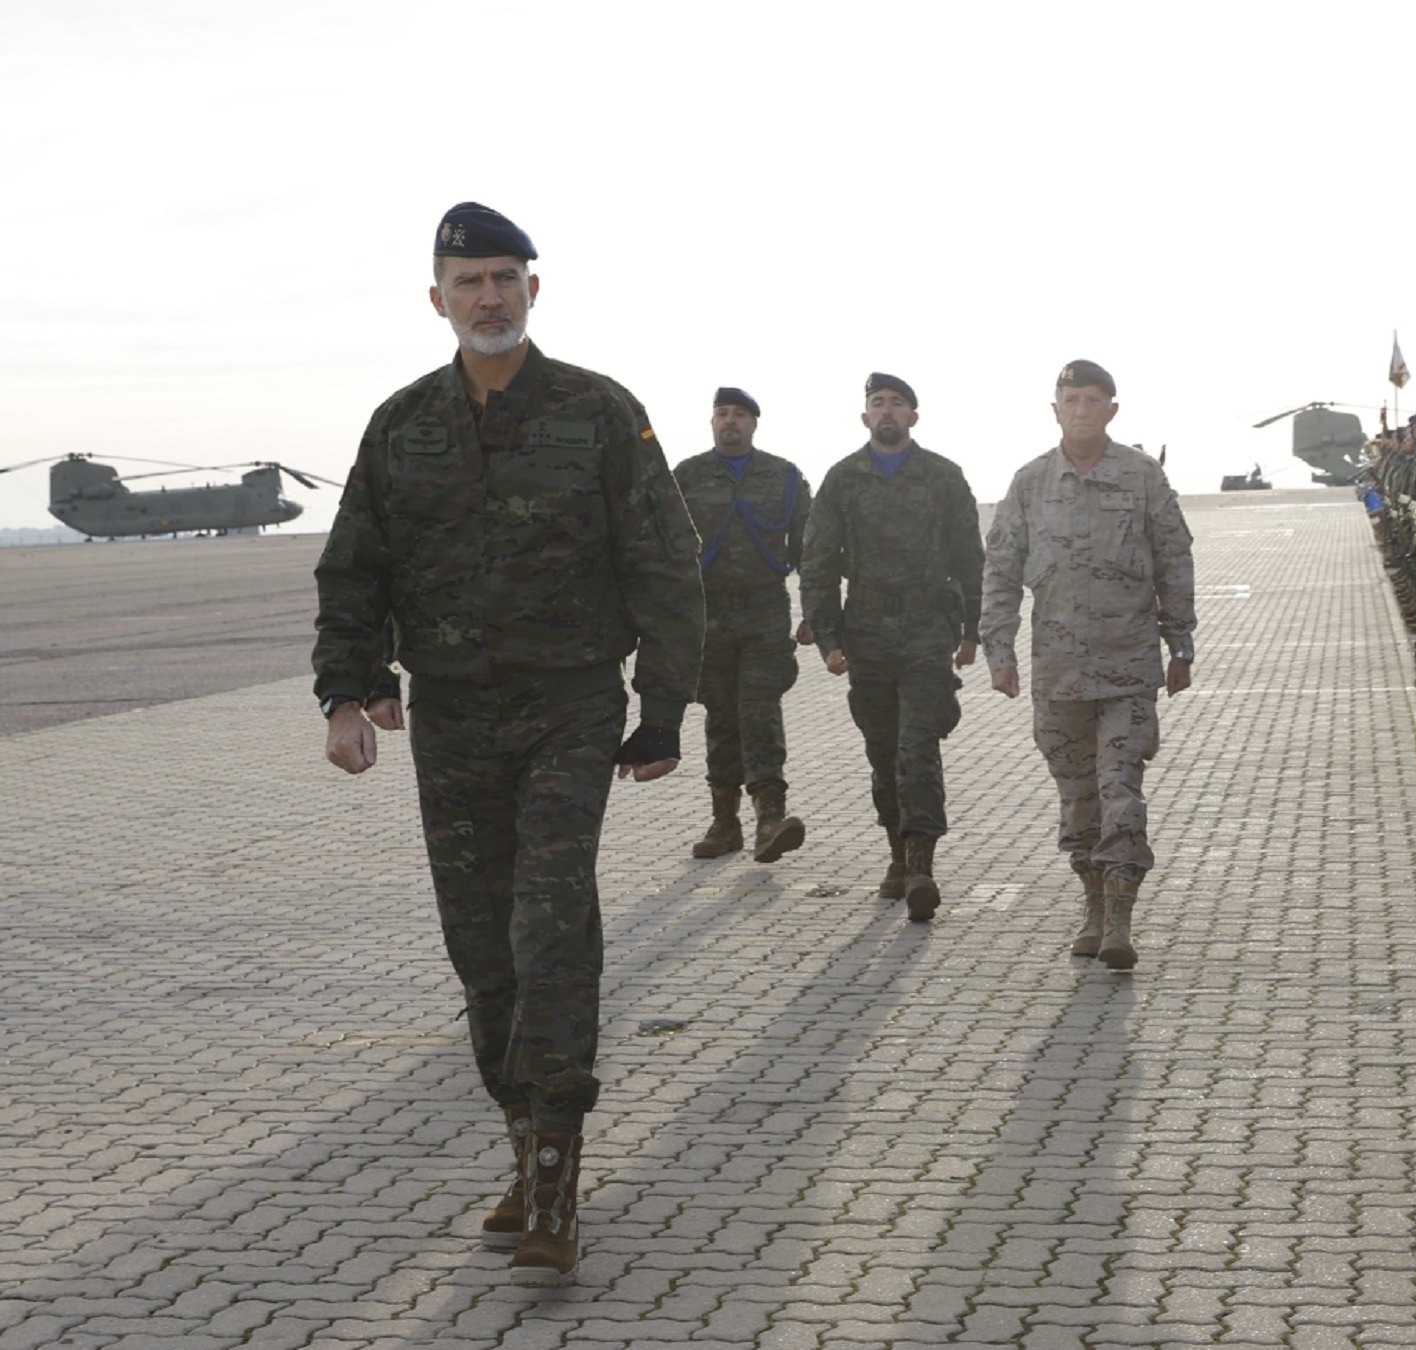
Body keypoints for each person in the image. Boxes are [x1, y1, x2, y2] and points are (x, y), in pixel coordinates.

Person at [312, 202, 706, 1285]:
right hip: (450, 722)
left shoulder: (597, 412)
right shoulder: (399, 426)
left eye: (506, 277)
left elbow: (668, 566)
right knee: (481, 950)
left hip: (570, 710)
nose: (488, 296)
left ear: (535, 289)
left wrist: (664, 709)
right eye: (468, 280)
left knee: (548, 928)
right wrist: (349, 692)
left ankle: (555, 1177)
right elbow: (353, 570)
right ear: (436, 298)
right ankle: (522, 1138)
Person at [981, 360, 1196, 970]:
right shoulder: (1029, 483)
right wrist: (999, 651)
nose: (1081, 409)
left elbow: (1174, 558)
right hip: (1058, 674)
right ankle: (1093, 904)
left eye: (1092, 399)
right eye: (1070, 399)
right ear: (1055, 410)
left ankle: (1122, 917)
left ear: (1112, 409)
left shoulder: (1141, 476)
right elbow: (1000, 570)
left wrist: (1181, 645)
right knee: (1077, 798)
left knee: (1120, 788)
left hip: (1128, 666)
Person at [801, 373, 984, 920]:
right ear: (864, 417)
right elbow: (818, 564)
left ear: (913, 416)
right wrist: (828, 639)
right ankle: (897, 857)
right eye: (877, 403)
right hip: (867, 634)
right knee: (882, 751)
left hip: (928, 630)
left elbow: (969, 558)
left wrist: (973, 632)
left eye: (897, 404)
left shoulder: (944, 477)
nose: (887, 411)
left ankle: (922, 863)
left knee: (917, 748)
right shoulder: (842, 479)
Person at [671, 388, 812, 863]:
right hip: (706, 613)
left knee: (758, 706)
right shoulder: (686, 476)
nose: (729, 422)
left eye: (739, 415)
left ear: (754, 423)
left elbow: (808, 548)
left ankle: (770, 816)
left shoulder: (784, 476)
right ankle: (724, 820)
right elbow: (665, 547)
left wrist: (816, 612)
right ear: (712, 423)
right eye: (721, 414)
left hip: (764, 611)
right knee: (719, 713)